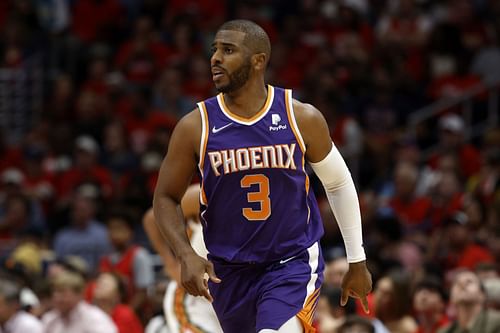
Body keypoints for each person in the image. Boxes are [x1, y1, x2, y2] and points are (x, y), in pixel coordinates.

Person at [152, 19, 372, 333]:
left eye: (228, 50)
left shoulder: (300, 117)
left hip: (290, 263)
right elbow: (165, 197)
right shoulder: (195, 126)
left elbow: (337, 182)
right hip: (228, 272)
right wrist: (185, 253)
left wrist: (357, 259)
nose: (215, 58)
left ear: (258, 60)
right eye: (214, 50)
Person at [143, 184, 223, 333]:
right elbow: (152, 219)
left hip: (239, 297)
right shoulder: (203, 193)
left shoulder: (273, 196)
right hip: (195, 301)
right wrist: (171, 265)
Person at [42, 270, 118, 333]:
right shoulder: (49, 319)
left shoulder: (95, 318)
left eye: (63, 293)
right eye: (55, 292)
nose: (57, 298)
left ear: (79, 295)